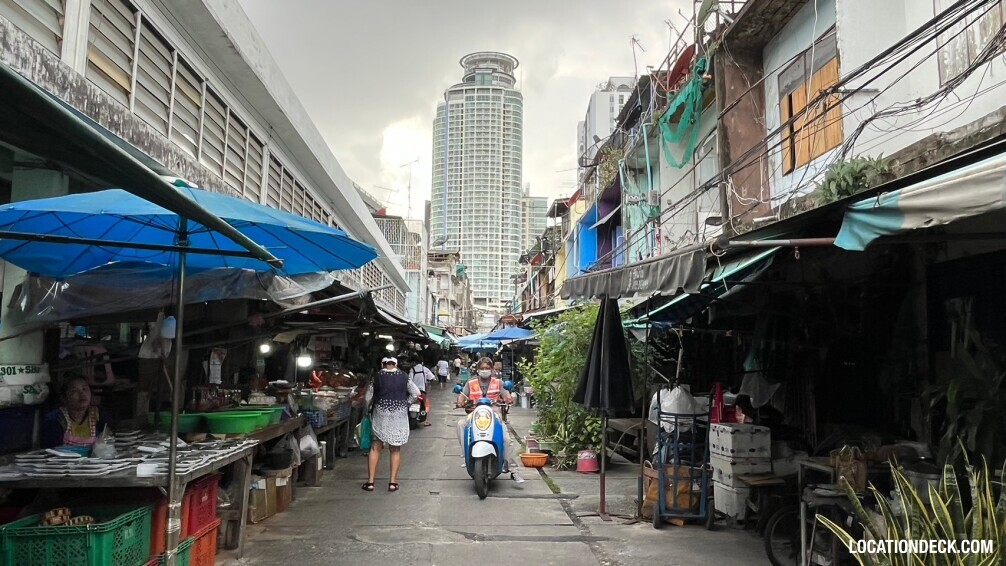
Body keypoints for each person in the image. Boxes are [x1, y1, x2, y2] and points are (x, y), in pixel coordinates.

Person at [456, 357, 523, 483]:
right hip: (474, 414)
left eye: (487, 368)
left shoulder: (498, 383)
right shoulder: (470, 383)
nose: (484, 371)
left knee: (506, 439)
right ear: (478, 370)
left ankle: (513, 470)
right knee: (461, 424)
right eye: (482, 368)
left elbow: (506, 394)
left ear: (492, 370)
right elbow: (462, 396)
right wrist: (460, 402)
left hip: (494, 415)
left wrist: (508, 398)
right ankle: (466, 455)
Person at [363, 357, 419, 492]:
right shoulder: (404, 376)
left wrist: (367, 410)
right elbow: (416, 393)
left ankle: (370, 482)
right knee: (395, 449)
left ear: (382, 364)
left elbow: (367, 397)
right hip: (399, 417)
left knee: (375, 448)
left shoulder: (376, 376)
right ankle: (392, 483)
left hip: (380, 415)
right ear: (396, 364)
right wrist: (406, 403)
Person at [41, 377, 113, 449]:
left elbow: (108, 439)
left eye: (84, 389)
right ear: (64, 397)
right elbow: (51, 448)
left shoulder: (99, 414)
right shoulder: (55, 419)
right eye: (74, 391)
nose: (82, 394)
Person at [408, 356, 435, 427]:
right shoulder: (425, 369)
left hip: (412, 392)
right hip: (422, 391)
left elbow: (409, 381)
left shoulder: (412, 369)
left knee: (408, 403)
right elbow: (432, 378)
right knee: (426, 404)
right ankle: (426, 420)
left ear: (414, 362)